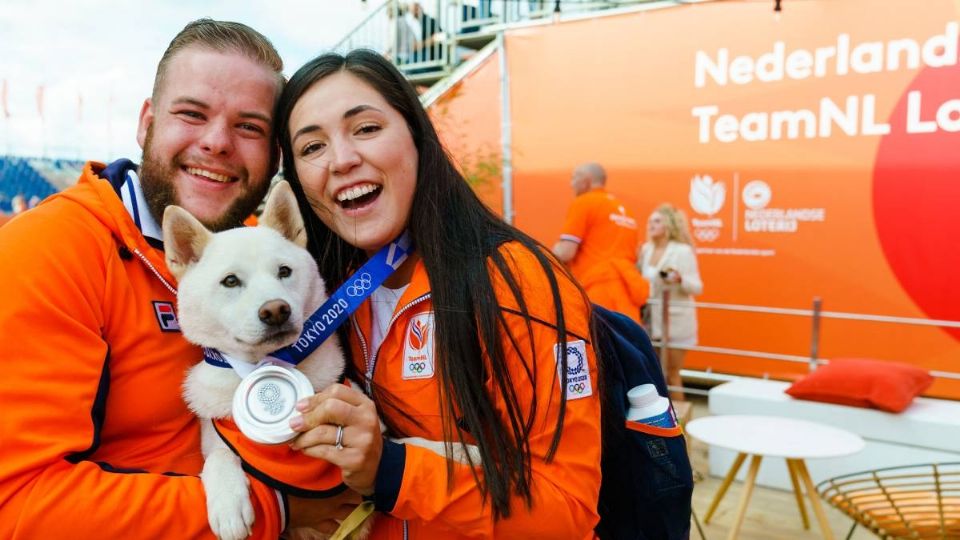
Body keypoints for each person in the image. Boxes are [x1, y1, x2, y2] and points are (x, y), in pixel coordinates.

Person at [0, 18, 360, 538]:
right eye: (192, 114)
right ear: (146, 123)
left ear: (274, 155)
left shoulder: (266, 254)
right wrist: (273, 512)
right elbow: (18, 503)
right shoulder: (50, 249)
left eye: (249, 127)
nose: (217, 143)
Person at [276, 49, 602, 538]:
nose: (341, 160)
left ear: (416, 137)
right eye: (311, 148)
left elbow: (567, 514)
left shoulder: (517, 280)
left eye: (365, 129)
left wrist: (391, 471)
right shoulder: (317, 288)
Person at [552, 162, 646, 323]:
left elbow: (566, 252)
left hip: (598, 289)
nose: (571, 183)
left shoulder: (584, 203)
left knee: (596, 344)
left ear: (586, 180)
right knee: (625, 345)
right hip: (627, 291)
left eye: (574, 177)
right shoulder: (623, 209)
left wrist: (549, 253)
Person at [638, 204, 703, 402]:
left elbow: (697, 286)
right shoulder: (645, 250)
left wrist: (679, 278)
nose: (651, 225)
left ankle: (679, 424)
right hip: (650, 321)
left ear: (669, 224)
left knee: (672, 374)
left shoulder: (682, 251)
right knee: (654, 373)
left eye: (657, 221)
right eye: (650, 221)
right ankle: (661, 424)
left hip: (676, 322)